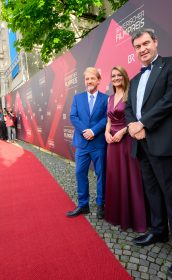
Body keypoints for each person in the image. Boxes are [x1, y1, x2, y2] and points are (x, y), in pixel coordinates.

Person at [124, 28, 172, 279]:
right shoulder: (133, 80)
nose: (142, 49)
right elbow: (129, 108)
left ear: (155, 42)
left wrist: (144, 124)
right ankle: (158, 230)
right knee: (153, 194)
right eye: (138, 46)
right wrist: (134, 127)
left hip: (167, 146)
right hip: (142, 146)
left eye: (146, 43)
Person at [104, 66, 147, 232]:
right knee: (115, 176)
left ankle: (134, 219)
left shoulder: (131, 95)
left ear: (124, 77)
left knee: (130, 177)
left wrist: (122, 132)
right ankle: (116, 215)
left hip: (127, 139)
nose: (115, 78)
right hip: (112, 143)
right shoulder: (110, 98)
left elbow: (136, 119)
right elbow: (108, 120)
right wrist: (107, 132)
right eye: (113, 75)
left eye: (118, 75)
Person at [67, 67, 107, 219]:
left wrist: (94, 131)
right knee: (79, 173)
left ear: (98, 80)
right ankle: (83, 205)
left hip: (98, 143)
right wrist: (86, 131)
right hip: (82, 144)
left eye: (92, 78)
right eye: (87, 79)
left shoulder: (106, 99)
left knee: (101, 175)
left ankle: (100, 205)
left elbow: (106, 118)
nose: (89, 81)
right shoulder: (77, 98)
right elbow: (73, 116)